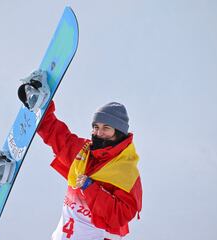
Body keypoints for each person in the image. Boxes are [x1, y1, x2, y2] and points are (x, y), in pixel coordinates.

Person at [36, 100, 142, 240]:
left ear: (119, 132)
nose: (99, 133)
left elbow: (120, 215)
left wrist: (90, 187)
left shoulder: (126, 172)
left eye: (106, 128)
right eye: (95, 126)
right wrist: (40, 105)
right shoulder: (84, 153)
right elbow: (56, 135)